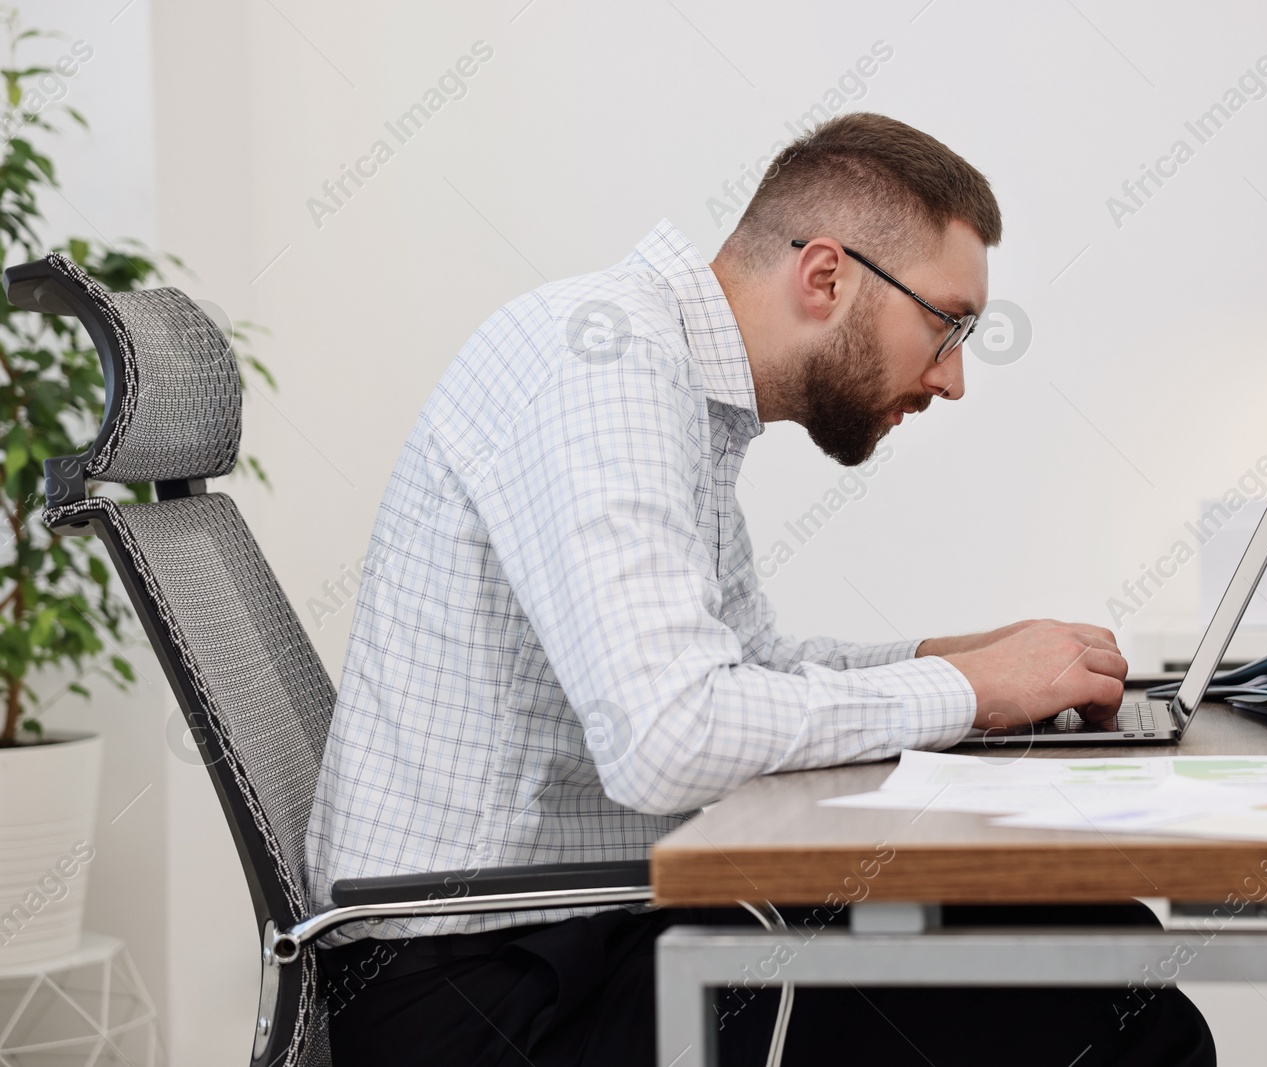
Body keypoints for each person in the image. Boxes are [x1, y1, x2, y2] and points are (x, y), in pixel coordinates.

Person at [305, 112, 1215, 1066]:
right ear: (827, 276)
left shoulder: (677, 391)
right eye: (948, 326)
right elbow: (672, 736)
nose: (952, 380)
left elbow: (748, 670)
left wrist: (956, 663)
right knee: (1118, 1010)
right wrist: (977, 691)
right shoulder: (600, 359)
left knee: (1095, 935)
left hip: (575, 938)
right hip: (485, 996)